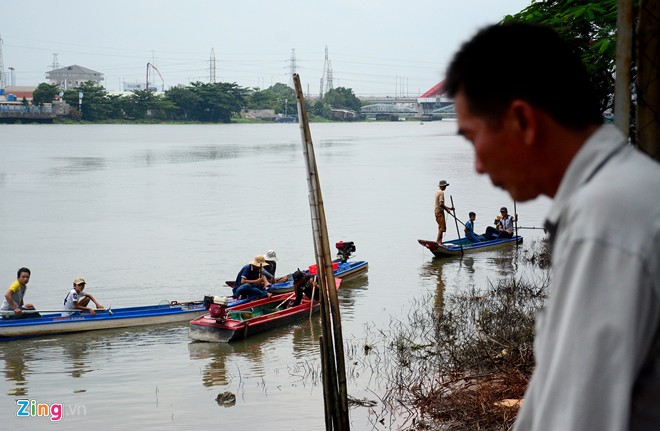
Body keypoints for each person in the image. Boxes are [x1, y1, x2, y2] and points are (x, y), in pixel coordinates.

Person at [445, 23, 660, 430]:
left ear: (523, 120)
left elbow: (577, 417)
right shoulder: (635, 189)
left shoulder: (604, 221)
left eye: (473, 139)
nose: (476, 165)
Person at [434, 180, 454, 244]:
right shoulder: (441, 193)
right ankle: (438, 243)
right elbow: (441, 204)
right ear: (443, 186)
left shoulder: (437, 191)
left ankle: (439, 242)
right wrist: (447, 210)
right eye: (445, 186)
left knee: (441, 227)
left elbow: (440, 204)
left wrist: (449, 208)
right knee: (442, 228)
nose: (445, 187)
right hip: (439, 212)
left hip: (437, 211)